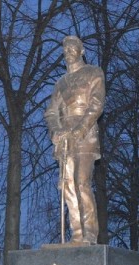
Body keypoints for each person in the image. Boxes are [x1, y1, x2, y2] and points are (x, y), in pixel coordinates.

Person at [44, 35, 105, 245]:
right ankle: (77, 234)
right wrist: (56, 131)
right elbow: (51, 112)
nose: (69, 52)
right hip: (65, 138)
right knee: (67, 185)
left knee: (81, 182)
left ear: (82, 51)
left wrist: (80, 129)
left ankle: (89, 234)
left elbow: (96, 104)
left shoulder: (93, 73)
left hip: (85, 135)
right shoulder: (60, 83)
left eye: (73, 48)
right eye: (66, 49)